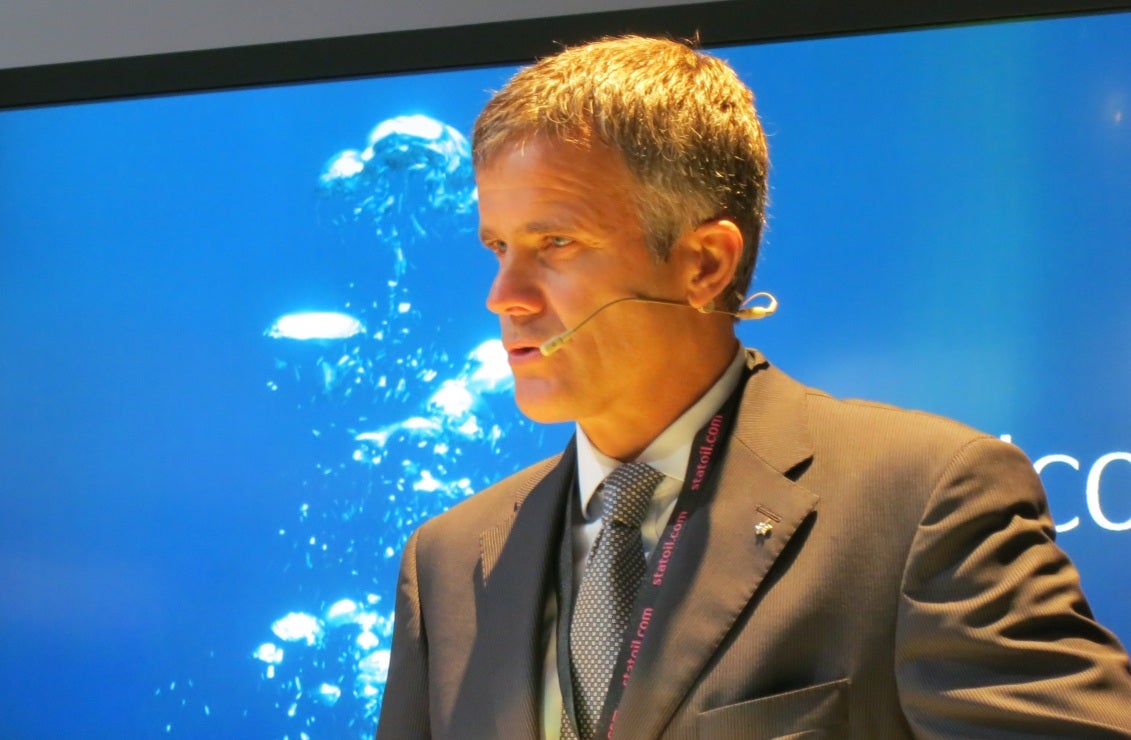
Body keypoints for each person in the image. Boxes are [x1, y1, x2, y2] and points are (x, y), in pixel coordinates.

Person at [377, 36, 1131, 738]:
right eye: (498, 247)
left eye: (557, 243)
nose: (504, 295)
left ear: (705, 263)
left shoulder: (922, 501)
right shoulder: (446, 561)